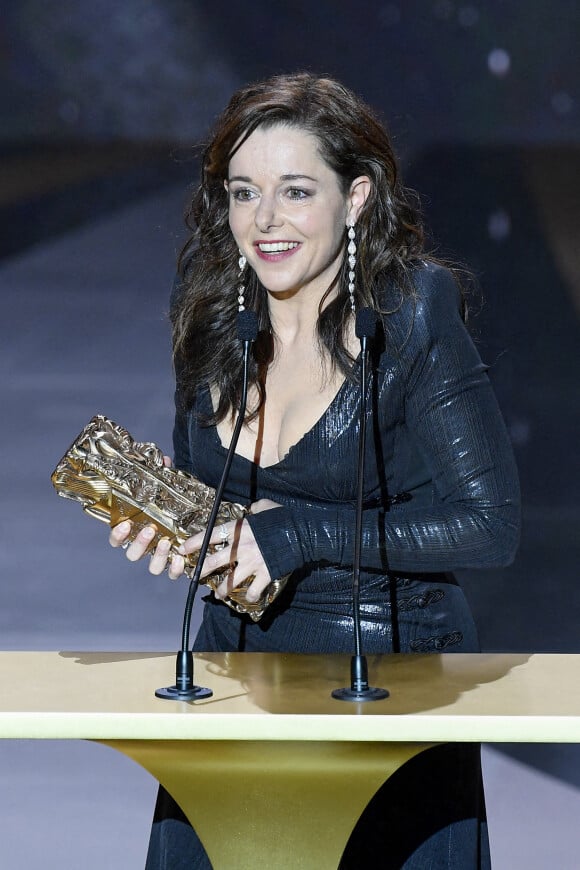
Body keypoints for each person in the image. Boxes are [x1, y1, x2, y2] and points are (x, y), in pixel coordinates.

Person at [110, 72, 520, 868]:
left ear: (355, 198)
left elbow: (489, 525)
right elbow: (229, 515)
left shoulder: (411, 315)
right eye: (244, 193)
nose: (264, 220)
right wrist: (180, 524)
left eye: (296, 191)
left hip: (384, 674)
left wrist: (297, 535)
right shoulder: (211, 313)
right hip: (233, 667)